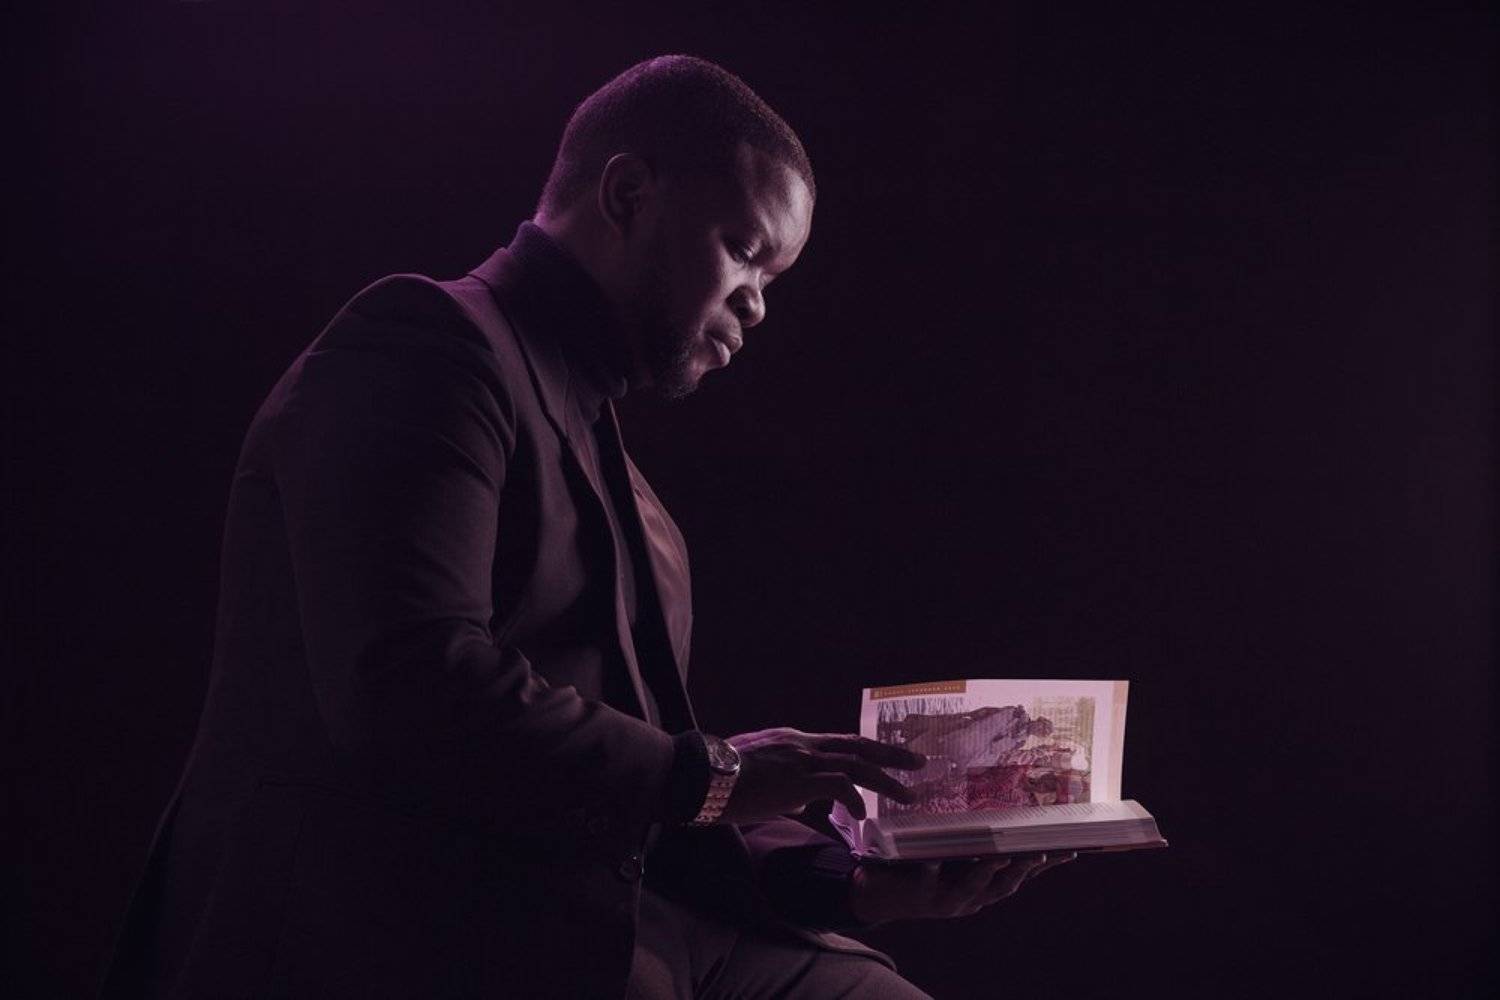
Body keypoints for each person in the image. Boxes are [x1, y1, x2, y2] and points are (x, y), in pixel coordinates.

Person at [100, 55, 1073, 999]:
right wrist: (715, 774)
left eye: (774, 277)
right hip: (394, 927)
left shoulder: (632, 492)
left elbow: (627, 781)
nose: (756, 302)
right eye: (744, 249)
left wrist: (847, 878)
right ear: (627, 194)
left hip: (597, 922)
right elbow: (408, 684)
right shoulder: (422, 345)